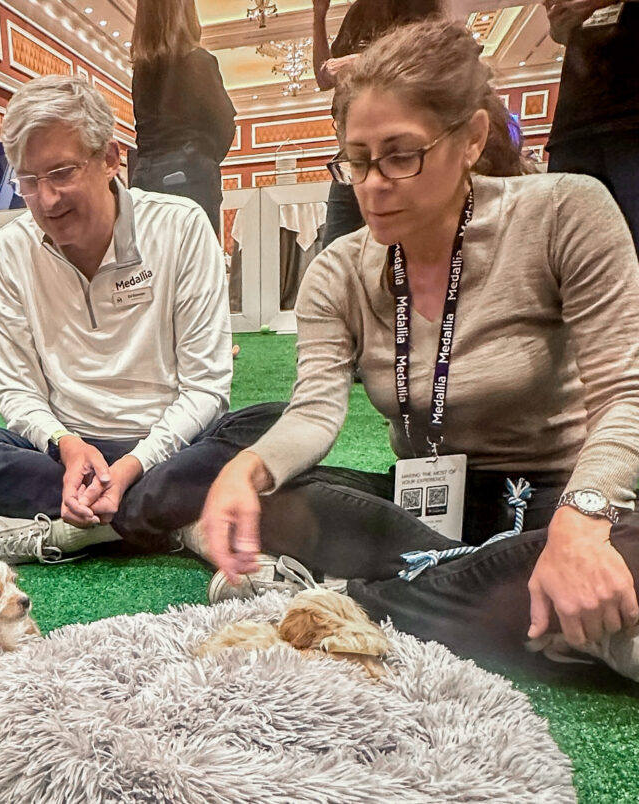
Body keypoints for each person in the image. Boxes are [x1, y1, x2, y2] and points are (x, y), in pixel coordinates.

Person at [198, 20, 639, 678]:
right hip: (423, 506)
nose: (372, 184)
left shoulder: (563, 211)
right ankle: (541, 617)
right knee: (268, 503)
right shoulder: (338, 268)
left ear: (472, 139)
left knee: (620, 547)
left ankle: (355, 602)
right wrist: (247, 470)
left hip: (553, 498)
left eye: (401, 155)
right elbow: (315, 412)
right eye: (356, 160)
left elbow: (624, 395)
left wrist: (581, 524)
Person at [0, 75, 282, 564]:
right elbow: (17, 389)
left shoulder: (180, 225)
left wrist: (133, 465)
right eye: (29, 181)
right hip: (66, 456)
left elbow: (206, 388)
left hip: (173, 447)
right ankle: (173, 520)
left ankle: (76, 532)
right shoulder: (14, 246)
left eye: (61, 172)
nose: (47, 200)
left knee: (280, 425)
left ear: (109, 159)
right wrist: (64, 444)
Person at [313, 0, 444, 247]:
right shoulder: (357, 12)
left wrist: (360, 63)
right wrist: (319, 15)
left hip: (398, 150)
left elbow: (431, 52)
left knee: (405, 245)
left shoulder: (415, 5)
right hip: (352, 157)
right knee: (334, 249)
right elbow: (323, 78)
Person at [129, 0, 235, 235]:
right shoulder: (199, 61)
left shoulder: (140, 72)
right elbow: (225, 125)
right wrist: (202, 158)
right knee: (198, 252)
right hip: (192, 175)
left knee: (152, 253)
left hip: (145, 176)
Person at [543, 0, 639, 252]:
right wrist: (561, 25)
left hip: (629, 120)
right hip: (573, 123)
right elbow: (561, 30)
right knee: (570, 254)